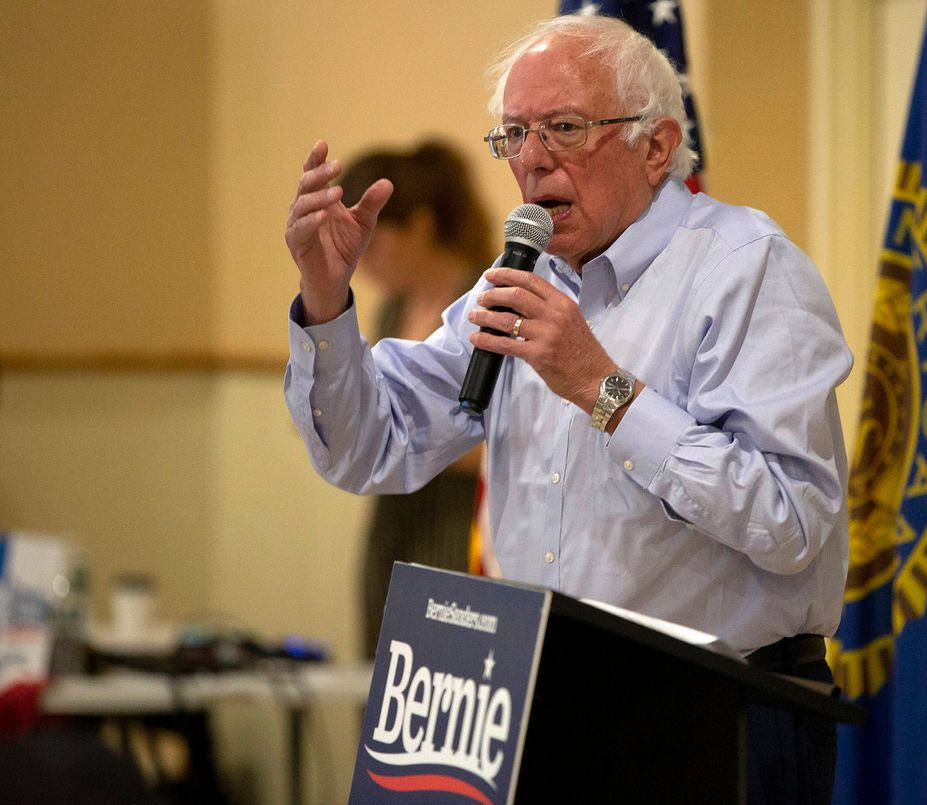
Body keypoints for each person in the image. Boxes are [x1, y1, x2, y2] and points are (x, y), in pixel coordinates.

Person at [283, 14, 851, 805]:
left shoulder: (747, 271)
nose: (533, 158)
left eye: (565, 127)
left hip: (714, 719)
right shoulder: (517, 278)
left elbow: (792, 521)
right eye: (513, 134)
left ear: (656, 146)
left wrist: (603, 388)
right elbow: (369, 447)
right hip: (537, 703)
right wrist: (325, 297)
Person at [336, 143, 490, 657]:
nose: (363, 267)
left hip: (460, 527)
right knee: (382, 687)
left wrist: (415, 436)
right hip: (394, 526)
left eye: (373, 248)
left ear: (420, 229)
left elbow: (515, 433)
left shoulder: (488, 300)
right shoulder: (391, 310)